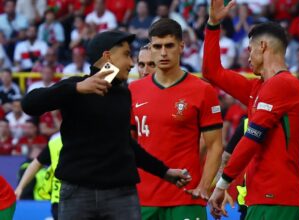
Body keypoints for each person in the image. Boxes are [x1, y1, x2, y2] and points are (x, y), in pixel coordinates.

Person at [21, 30, 191, 220]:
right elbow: (29, 104)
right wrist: (76, 88)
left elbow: (125, 143)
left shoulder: (124, 94)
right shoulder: (75, 86)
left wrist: (164, 172)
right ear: (107, 56)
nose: (132, 63)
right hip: (77, 192)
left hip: (121, 193)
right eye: (127, 55)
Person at [204, 1, 299, 219]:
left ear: (263, 46)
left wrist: (222, 184)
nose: (248, 57)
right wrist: (213, 24)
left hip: (278, 199)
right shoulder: (258, 88)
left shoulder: (284, 85)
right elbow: (212, 72)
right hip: (260, 198)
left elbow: (252, 138)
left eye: (250, 50)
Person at [129, 18, 223, 220]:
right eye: (157, 46)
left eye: (169, 46)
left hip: (186, 199)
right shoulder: (133, 91)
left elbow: (215, 145)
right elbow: (126, 145)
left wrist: (204, 187)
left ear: (181, 46)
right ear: (150, 48)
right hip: (143, 199)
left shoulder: (203, 91)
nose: (163, 53)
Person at [221, 115, 299, 219]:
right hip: (250, 204)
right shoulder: (248, 123)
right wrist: (222, 189)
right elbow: (225, 159)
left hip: (290, 203)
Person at [15, 132, 62, 220]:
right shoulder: (55, 143)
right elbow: (37, 163)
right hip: (59, 199)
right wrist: (20, 187)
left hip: (85, 196)